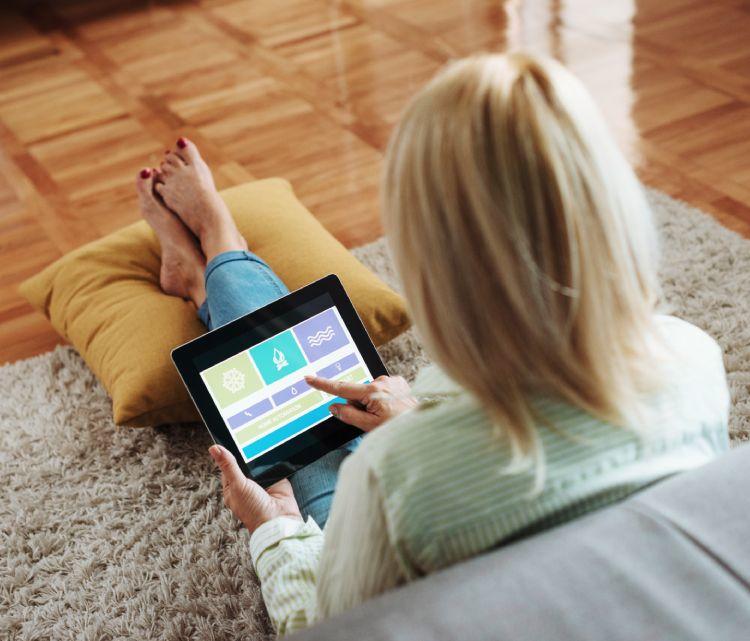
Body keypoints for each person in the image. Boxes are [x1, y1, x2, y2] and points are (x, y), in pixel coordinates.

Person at [136, 53, 730, 636]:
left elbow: (329, 625)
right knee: (328, 400)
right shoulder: (694, 355)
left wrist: (278, 530)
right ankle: (215, 260)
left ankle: (215, 257)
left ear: (438, 272)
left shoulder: (396, 479)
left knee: (302, 420)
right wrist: (417, 424)